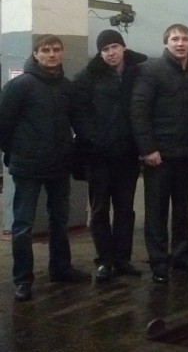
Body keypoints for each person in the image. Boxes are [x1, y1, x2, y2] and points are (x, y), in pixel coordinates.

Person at [0, 35, 91, 302]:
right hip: (27, 166)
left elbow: (76, 122)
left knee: (59, 220)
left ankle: (61, 269)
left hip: (59, 165)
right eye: (46, 50)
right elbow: (3, 125)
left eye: (56, 50)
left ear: (62, 53)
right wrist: (14, 153)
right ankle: (22, 280)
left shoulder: (67, 87)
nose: (51, 54)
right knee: (23, 225)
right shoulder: (19, 86)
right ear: (36, 54)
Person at [131, 23, 188, 283]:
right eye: (175, 39)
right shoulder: (151, 70)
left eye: (185, 39)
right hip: (159, 156)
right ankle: (159, 262)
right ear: (166, 43)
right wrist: (148, 149)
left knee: (183, 210)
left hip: (186, 154)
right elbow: (139, 111)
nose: (180, 43)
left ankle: (182, 256)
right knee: (157, 211)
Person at [72, 30, 148, 282]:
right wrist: (94, 140)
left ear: (124, 47)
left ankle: (123, 259)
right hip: (99, 157)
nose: (111, 53)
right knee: (100, 210)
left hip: (127, 155)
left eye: (114, 46)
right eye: (105, 49)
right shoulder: (87, 77)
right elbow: (79, 114)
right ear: (100, 53)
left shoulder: (138, 73)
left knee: (125, 210)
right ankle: (104, 260)